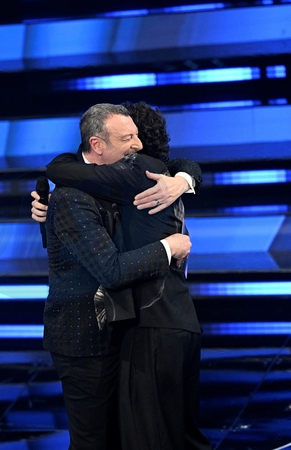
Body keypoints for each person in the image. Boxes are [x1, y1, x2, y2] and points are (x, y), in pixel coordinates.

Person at [43, 101, 212, 449]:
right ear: (97, 145)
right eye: (127, 138)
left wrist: (183, 180)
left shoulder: (123, 176)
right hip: (84, 338)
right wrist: (169, 247)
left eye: (137, 136)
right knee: (95, 442)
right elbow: (110, 269)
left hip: (123, 332)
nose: (137, 145)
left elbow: (178, 164)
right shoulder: (70, 195)